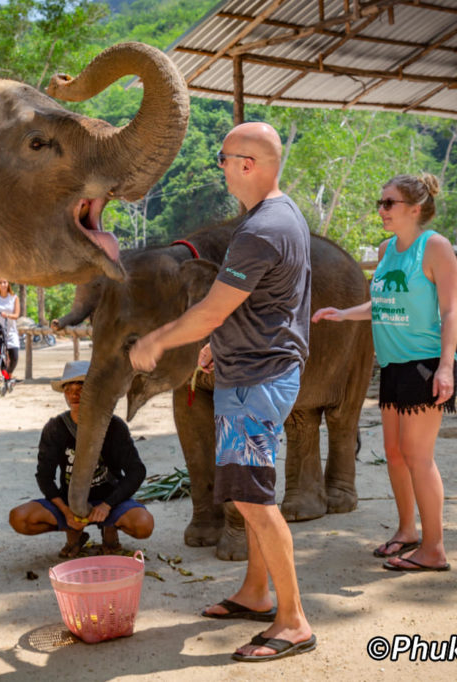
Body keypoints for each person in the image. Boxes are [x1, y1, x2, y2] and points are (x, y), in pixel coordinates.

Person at [129, 122, 315, 663]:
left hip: (256, 382)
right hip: (255, 368)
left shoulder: (261, 229)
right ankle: (257, 594)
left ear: (248, 164)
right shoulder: (280, 215)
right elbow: (267, 303)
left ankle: (294, 620)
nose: (221, 167)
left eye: (224, 157)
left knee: (254, 502)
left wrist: (159, 340)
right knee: (249, 494)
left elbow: (212, 308)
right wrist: (219, 342)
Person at [312, 173, 457, 573]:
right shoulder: (386, 250)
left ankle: (435, 548)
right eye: (380, 202)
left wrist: (446, 367)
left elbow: (449, 312)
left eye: (389, 203)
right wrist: (343, 314)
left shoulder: (436, 248)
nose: (382, 210)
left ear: (415, 208)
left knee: (418, 457)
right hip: (392, 365)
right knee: (394, 454)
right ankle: (407, 531)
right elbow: (383, 302)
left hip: (425, 364)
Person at [8, 360, 154, 558]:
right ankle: (74, 533)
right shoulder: (55, 428)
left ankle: (109, 528)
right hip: (70, 502)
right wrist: (67, 512)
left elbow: (137, 471)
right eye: (69, 389)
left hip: (110, 501)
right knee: (20, 518)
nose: (74, 394)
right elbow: (44, 476)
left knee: (144, 525)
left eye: (82, 388)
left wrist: (107, 506)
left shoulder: (114, 426)